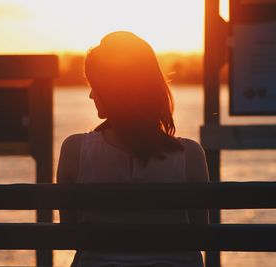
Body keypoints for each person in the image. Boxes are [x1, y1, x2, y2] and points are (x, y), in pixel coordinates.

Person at [57, 31, 209, 267]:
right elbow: (201, 235)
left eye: (94, 85)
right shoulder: (190, 156)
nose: (90, 94)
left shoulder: (75, 151)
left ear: (111, 91)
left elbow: (70, 233)